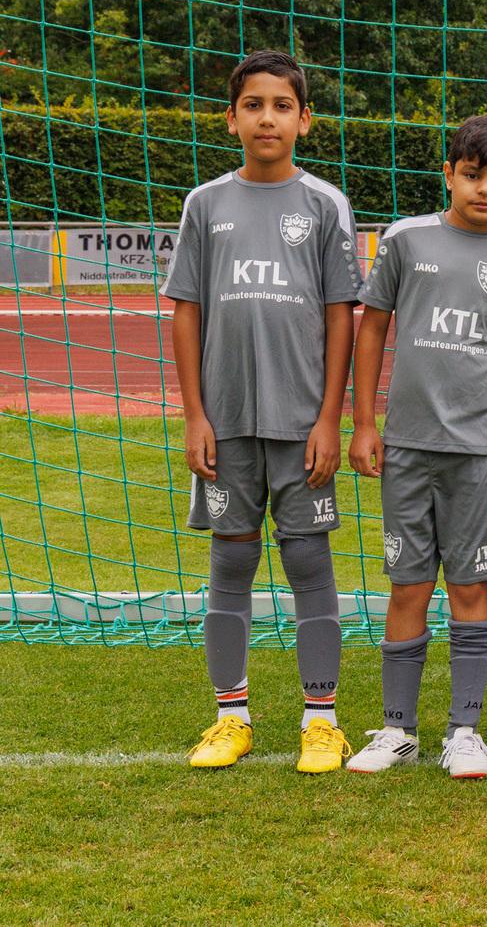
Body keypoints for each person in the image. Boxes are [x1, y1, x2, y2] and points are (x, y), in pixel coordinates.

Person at [167, 51, 360, 773]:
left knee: (309, 560)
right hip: (226, 422)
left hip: (300, 420)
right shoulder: (205, 204)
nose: (267, 117)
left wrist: (328, 420)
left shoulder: (324, 204)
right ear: (231, 118)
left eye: (282, 105)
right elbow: (186, 314)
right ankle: (232, 717)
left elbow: (342, 316)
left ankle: (321, 720)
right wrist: (194, 415)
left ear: (304, 121)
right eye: (253, 104)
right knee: (230, 561)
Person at [345, 116, 487, 780]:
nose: (483, 189)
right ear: (448, 173)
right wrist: (365, 422)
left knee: (469, 586)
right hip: (406, 444)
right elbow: (371, 328)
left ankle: (464, 730)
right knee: (407, 585)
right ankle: (397, 729)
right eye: (471, 174)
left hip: (480, 450)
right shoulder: (405, 241)